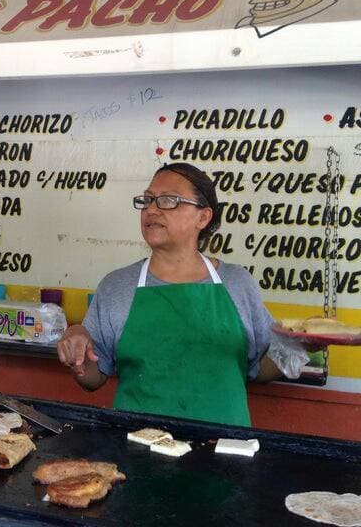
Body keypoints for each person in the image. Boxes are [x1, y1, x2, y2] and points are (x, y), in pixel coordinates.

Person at [57, 162, 285, 427]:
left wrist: (299, 345)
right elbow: (94, 379)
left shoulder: (238, 283)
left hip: (225, 448)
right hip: (137, 448)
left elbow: (260, 370)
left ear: (203, 217)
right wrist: (77, 351)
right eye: (148, 199)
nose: (152, 209)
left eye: (168, 200)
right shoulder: (117, 286)